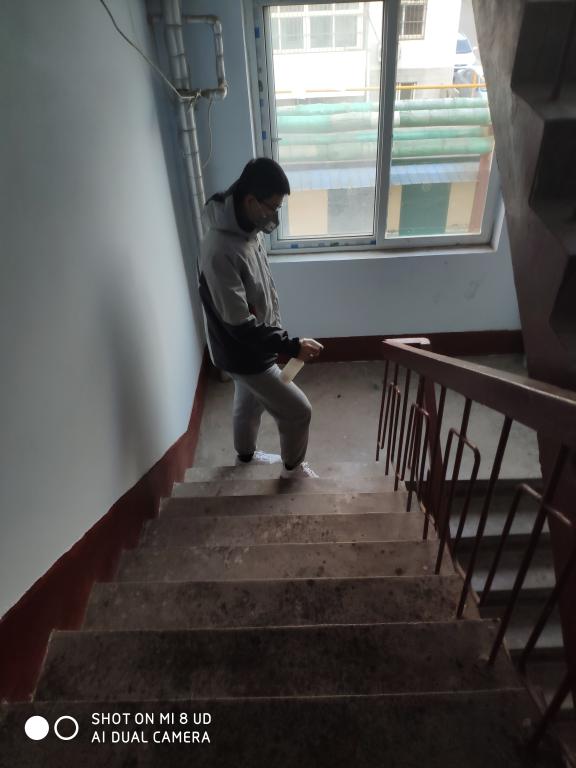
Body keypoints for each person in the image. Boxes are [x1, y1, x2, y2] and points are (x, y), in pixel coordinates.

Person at [197, 157, 323, 479]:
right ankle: (293, 471)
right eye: (272, 208)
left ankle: (245, 458)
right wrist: (292, 346)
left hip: (245, 348)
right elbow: (240, 325)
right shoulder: (220, 249)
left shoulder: (247, 229)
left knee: (247, 401)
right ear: (251, 201)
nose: (274, 217)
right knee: (298, 411)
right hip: (245, 351)